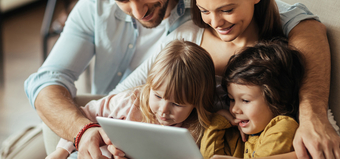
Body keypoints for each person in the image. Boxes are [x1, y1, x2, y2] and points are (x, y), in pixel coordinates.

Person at [24, 0, 337, 158]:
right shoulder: (190, 32)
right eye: (121, 0)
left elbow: (304, 21)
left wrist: (313, 112)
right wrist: (95, 134)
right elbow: (125, 99)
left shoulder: (256, 39)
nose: (136, 11)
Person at [46, 40, 216, 159]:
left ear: (196, 103)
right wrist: (61, 152)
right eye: (157, 96)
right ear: (149, 86)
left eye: (177, 104)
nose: (163, 110)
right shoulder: (130, 101)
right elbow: (86, 114)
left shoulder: (196, 131)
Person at [200, 38, 304, 159]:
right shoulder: (239, 133)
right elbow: (208, 156)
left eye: (245, 100)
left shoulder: (283, 125)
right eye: (231, 99)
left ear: (276, 99)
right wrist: (219, 120)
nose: (234, 109)